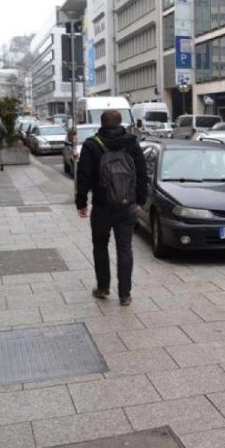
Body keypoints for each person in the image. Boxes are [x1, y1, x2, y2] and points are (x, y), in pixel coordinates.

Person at [75, 110, 147, 306]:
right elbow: (141, 173)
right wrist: (140, 200)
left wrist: (81, 203)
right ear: (120, 122)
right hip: (126, 205)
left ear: (101, 123)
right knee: (125, 248)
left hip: (101, 205)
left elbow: (84, 176)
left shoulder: (92, 145)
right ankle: (125, 294)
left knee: (100, 245)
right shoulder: (131, 143)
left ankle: (103, 287)